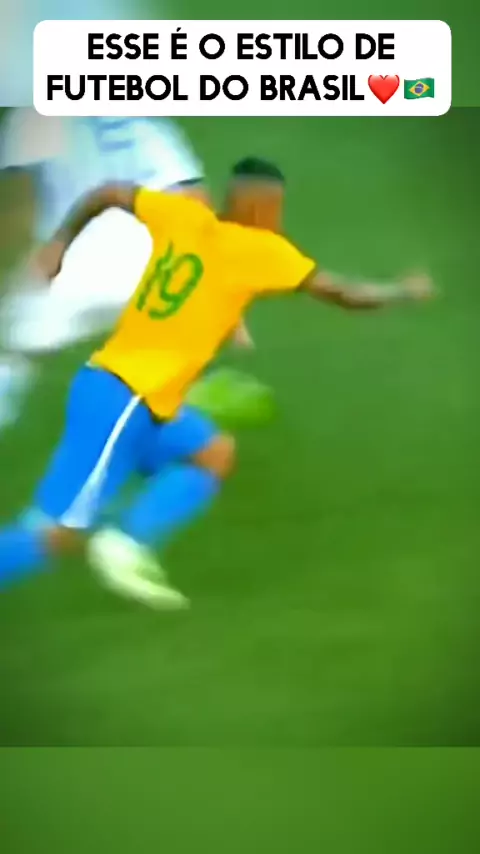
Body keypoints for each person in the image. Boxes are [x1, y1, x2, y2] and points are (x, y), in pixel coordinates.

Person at [0, 157, 434, 609]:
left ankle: (127, 541)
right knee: (54, 537)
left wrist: (59, 244)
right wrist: (402, 292)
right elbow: (344, 294)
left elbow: (108, 192)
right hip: (124, 399)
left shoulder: (183, 215)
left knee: (213, 454)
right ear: (261, 204)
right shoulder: (263, 250)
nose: (278, 218)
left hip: (139, 398)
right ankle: (90, 542)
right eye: (276, 207)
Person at [0, 111, 211, 430]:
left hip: (73, 271)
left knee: (10, 347)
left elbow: (19, 206)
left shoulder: (31, 116)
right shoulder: (142, 120)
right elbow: (194, 200)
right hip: (154, 267)